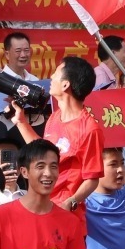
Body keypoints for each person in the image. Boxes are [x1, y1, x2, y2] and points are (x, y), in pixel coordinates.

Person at [14, 56, 101, 210]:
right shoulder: (54, 117)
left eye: (56, 73)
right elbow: (41, 151)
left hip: (65, 210)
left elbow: (92, 178)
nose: (51, 77)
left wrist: (71, 202)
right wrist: (21, 121)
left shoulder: (89, 128)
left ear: (65, 84)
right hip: (42, 204)